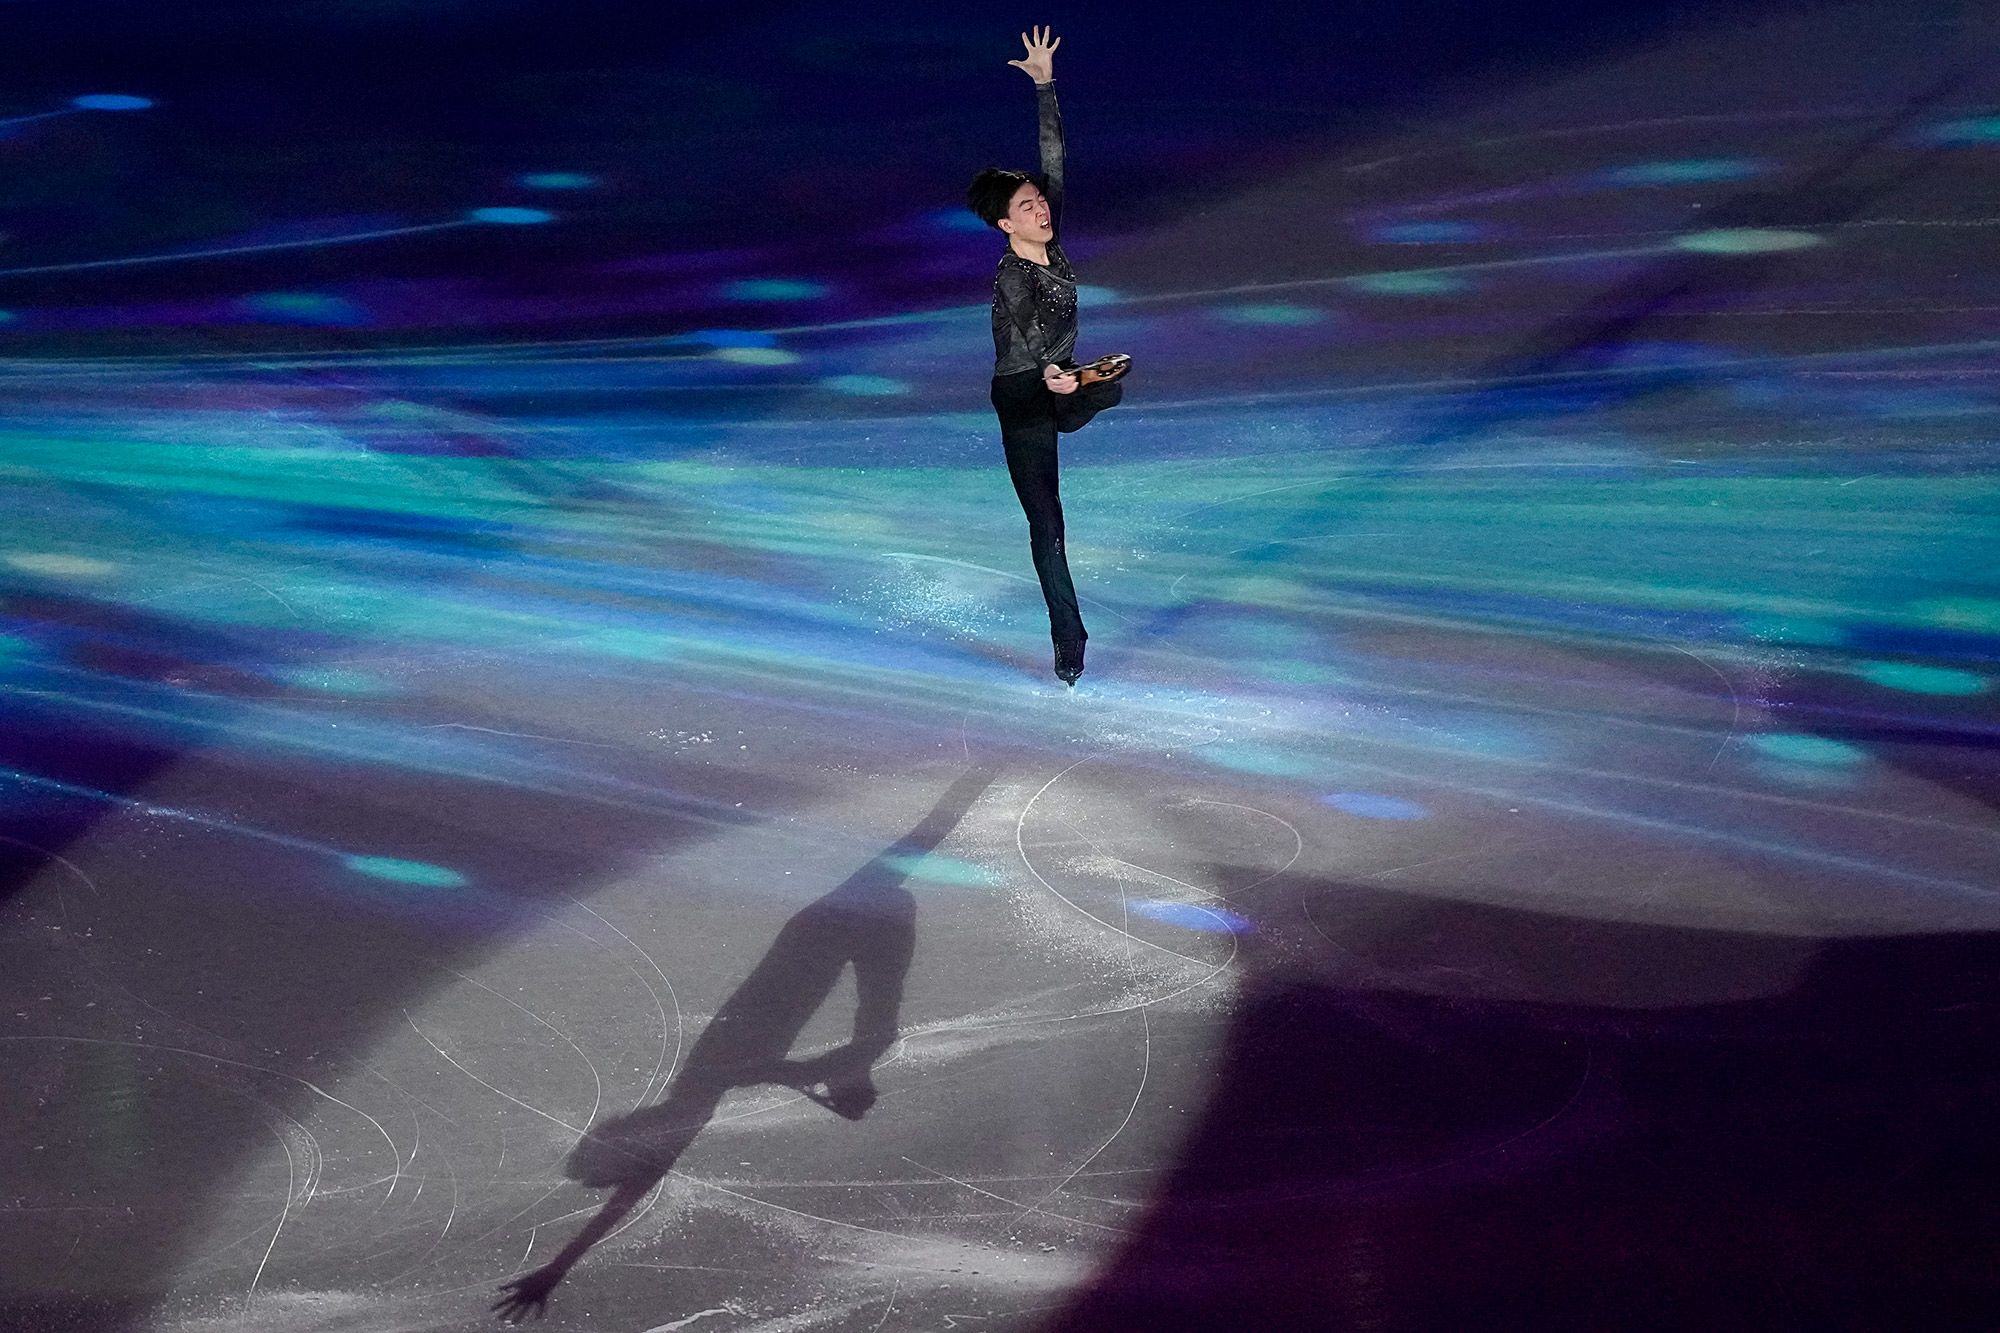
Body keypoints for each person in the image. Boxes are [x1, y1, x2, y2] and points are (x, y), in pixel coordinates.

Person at [965, 26, 1126, 688]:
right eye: (1026, 207)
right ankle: (1069, 637)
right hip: (1023, 395)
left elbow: (1054, 160)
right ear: (1006, 223)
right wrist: (1055, 376)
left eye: (1038, 203)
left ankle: (1085, 386)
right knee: (1048, 525)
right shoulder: (1011, 273)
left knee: (1109, 387)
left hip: (1060, 382)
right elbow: (1023, 340)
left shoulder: (1049, 241)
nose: (1040, 209)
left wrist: (1043, 84)